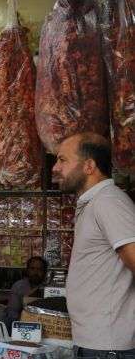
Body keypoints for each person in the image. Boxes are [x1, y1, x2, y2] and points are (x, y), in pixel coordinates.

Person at [52, 132, 135, 358]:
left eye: (62, 160)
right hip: (97, 343)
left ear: (89, 166)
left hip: (108, 345)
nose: (54, 168)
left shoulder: (108, 202)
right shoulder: (95, 203)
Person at [4, 256, 47, 327]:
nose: (35, 272)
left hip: (45, 322)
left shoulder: (50, 287)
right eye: (32, 268)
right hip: (21, 322)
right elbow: (12, 311)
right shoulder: (18, 286)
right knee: (6, 321)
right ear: (27, 270)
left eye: (39, 269)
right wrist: (24, 322)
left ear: (45, 272)